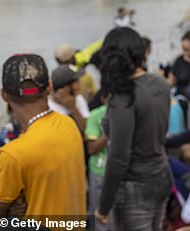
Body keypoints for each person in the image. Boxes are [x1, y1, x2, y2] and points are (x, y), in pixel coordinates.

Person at [95, 27, 173, 230]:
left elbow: (119, 157)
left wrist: (103, 206)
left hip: (136, 187)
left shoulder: (124, 97)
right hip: (162, 173)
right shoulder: (161, 84)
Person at [0, 54, 86, 218]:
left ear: (4, 95)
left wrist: (8, 210)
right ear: (49, 87)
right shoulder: (69, 125)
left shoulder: (13, 155)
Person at [85, 89, 110, 231]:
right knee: (98, 214)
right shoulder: (96, 115)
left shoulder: (129, 112)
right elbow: (92, 148)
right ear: (104, 99)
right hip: (99, 171)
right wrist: (111, 131)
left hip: (121, 173)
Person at [49, 63, 90, 132]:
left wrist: (73, 108)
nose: (79, 87)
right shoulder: (48, 107)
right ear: (63, 88)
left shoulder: (78, 99)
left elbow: (88, 131)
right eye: (76, 82)